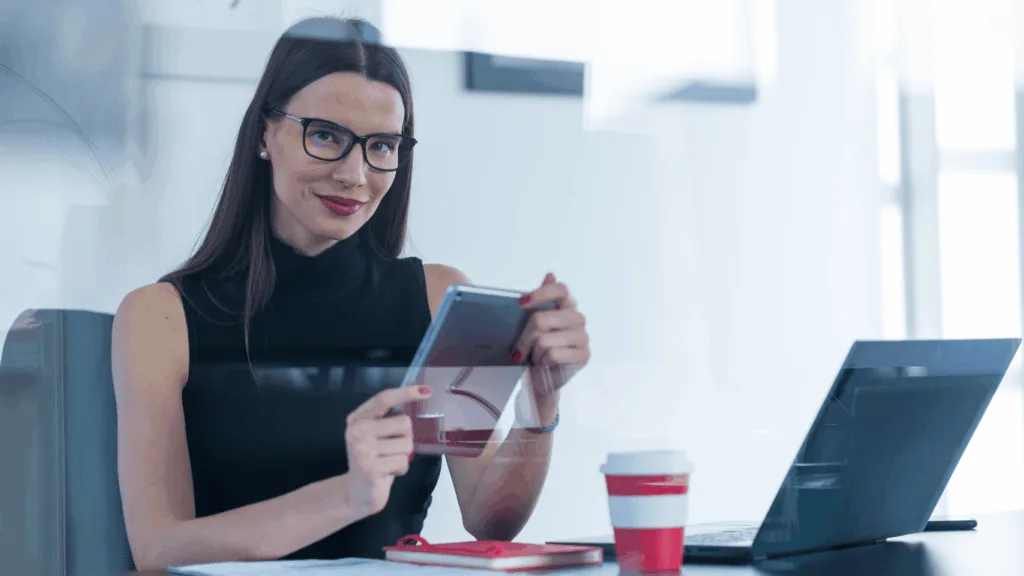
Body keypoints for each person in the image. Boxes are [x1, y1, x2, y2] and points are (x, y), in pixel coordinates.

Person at [110, 17, 591, 571]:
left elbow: (490, 518)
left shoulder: (438, 296)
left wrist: (541, 404)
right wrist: (348, 496)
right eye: (326, 136)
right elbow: (159, 550)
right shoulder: (159, 317)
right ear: (266, 132)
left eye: (381, 145)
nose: (354, 175)